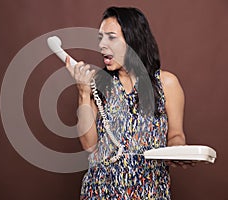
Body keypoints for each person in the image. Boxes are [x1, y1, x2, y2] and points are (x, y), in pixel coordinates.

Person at [65, 6, 186, 199]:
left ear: (133, 40)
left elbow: (176, 135)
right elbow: (90, 145)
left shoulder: (167, 83)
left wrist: (179, 152)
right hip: (100, 192)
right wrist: (83, 92)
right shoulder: (98, 83)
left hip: (151, 192)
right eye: (100, 38)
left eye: (111, 37)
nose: (103, 45)